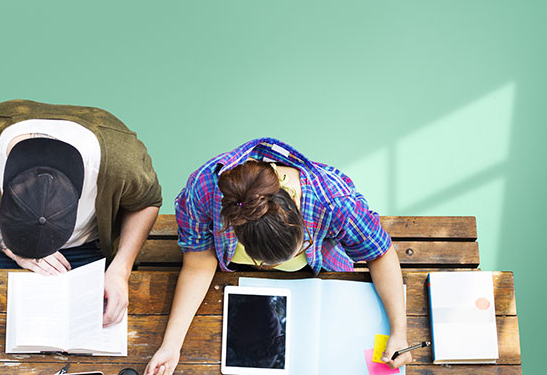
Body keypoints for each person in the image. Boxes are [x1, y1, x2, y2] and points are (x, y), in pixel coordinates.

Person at [144, 138, 411, 375]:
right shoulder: (203, 190)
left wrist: (399, 331)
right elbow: (198, 263)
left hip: (322, 277)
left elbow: (380, 254)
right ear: (236, 230)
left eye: (301, 246)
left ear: (296, 207)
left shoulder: (334, 200)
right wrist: (170, 346)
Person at [0, 99, 162, 326]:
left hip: (86, 246)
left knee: (95, 328)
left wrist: (121, 269)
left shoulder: (120, 162)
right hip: (0, 241)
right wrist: (5, 243)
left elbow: (146, 202)